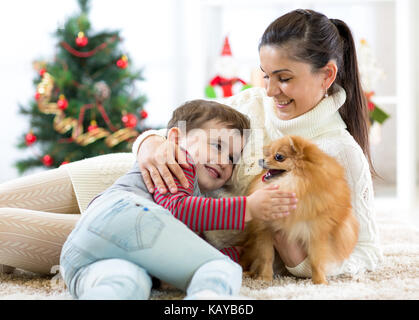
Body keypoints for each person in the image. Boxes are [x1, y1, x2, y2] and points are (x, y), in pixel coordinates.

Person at [132, 9, 383, 278]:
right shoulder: (250, 104)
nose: (270, 90)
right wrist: (149, 143)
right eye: (266, 75)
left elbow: (367, 252)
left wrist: (300, 263)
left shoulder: (342, 152)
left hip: (195, 243)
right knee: (109, 180)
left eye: (284, 78)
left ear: (327, 76)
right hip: (159, 196)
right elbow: (180, 129)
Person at [59, 99, 293, 300]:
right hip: (125, 213)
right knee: (219, 270)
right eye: (217, 146)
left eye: (232, 159)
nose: (224, 161)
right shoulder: (177, 162)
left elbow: (185, 250)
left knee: (127, 283)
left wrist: (240, 254)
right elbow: (179, 209)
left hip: (82, 258)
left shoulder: (192, 195)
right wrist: (248, 208)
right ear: (175, 138)